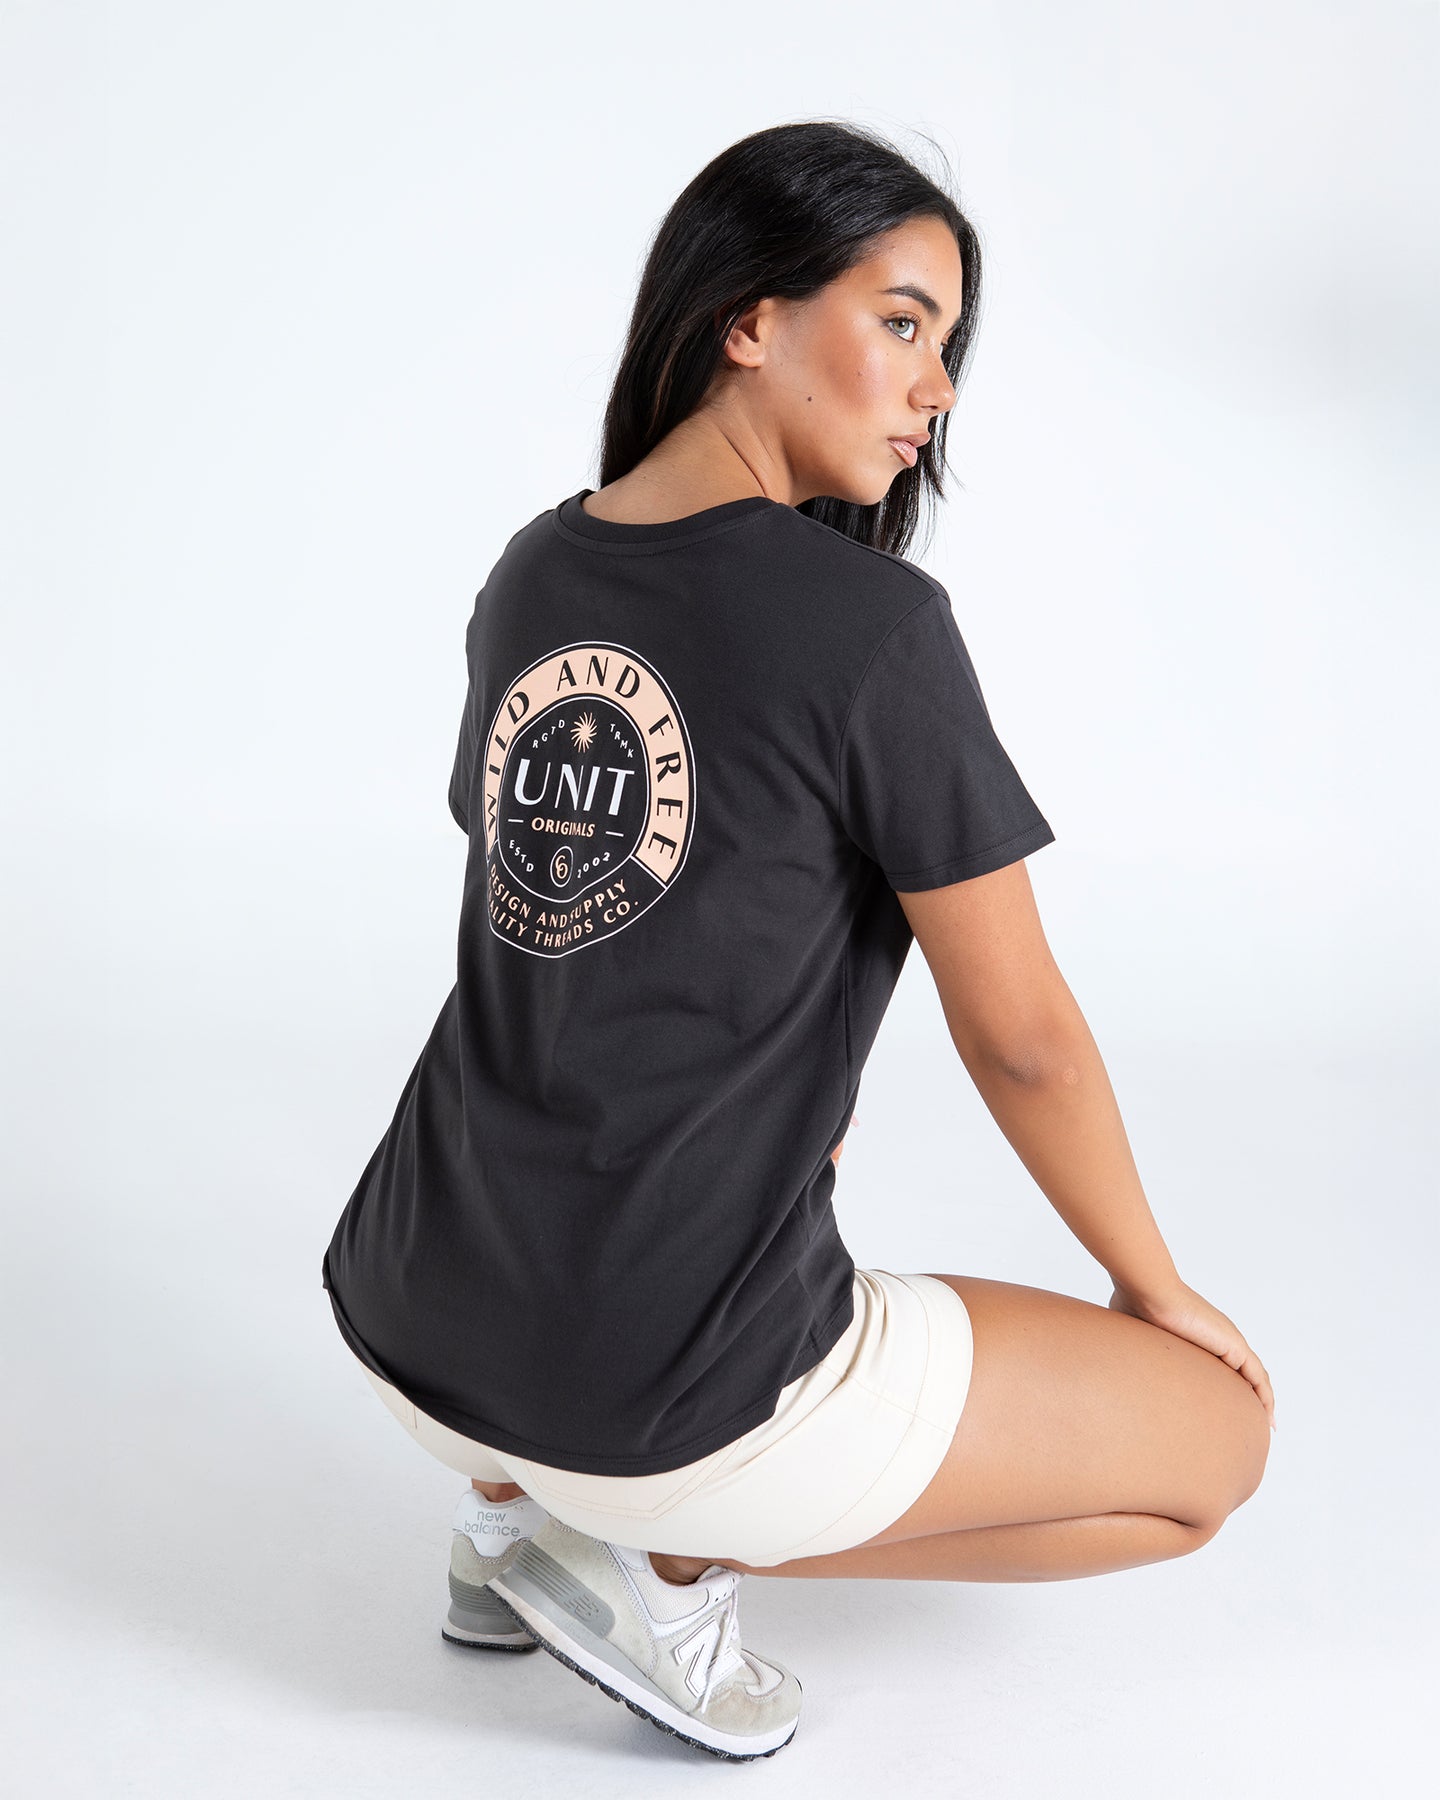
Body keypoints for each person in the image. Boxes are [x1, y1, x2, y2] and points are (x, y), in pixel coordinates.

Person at [320, 119, 1274, 1762]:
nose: (938, 387)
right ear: (747, 318)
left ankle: (504, 1521)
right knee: (1215, 1456)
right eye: (903, 321)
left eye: (949, 344)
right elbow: (1023, 1038)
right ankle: (655, 1548)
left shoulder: (532, 572)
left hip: (411, 1307)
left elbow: (556, 940)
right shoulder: (873, 632)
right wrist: (1153, 1285)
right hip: (656, 1389)